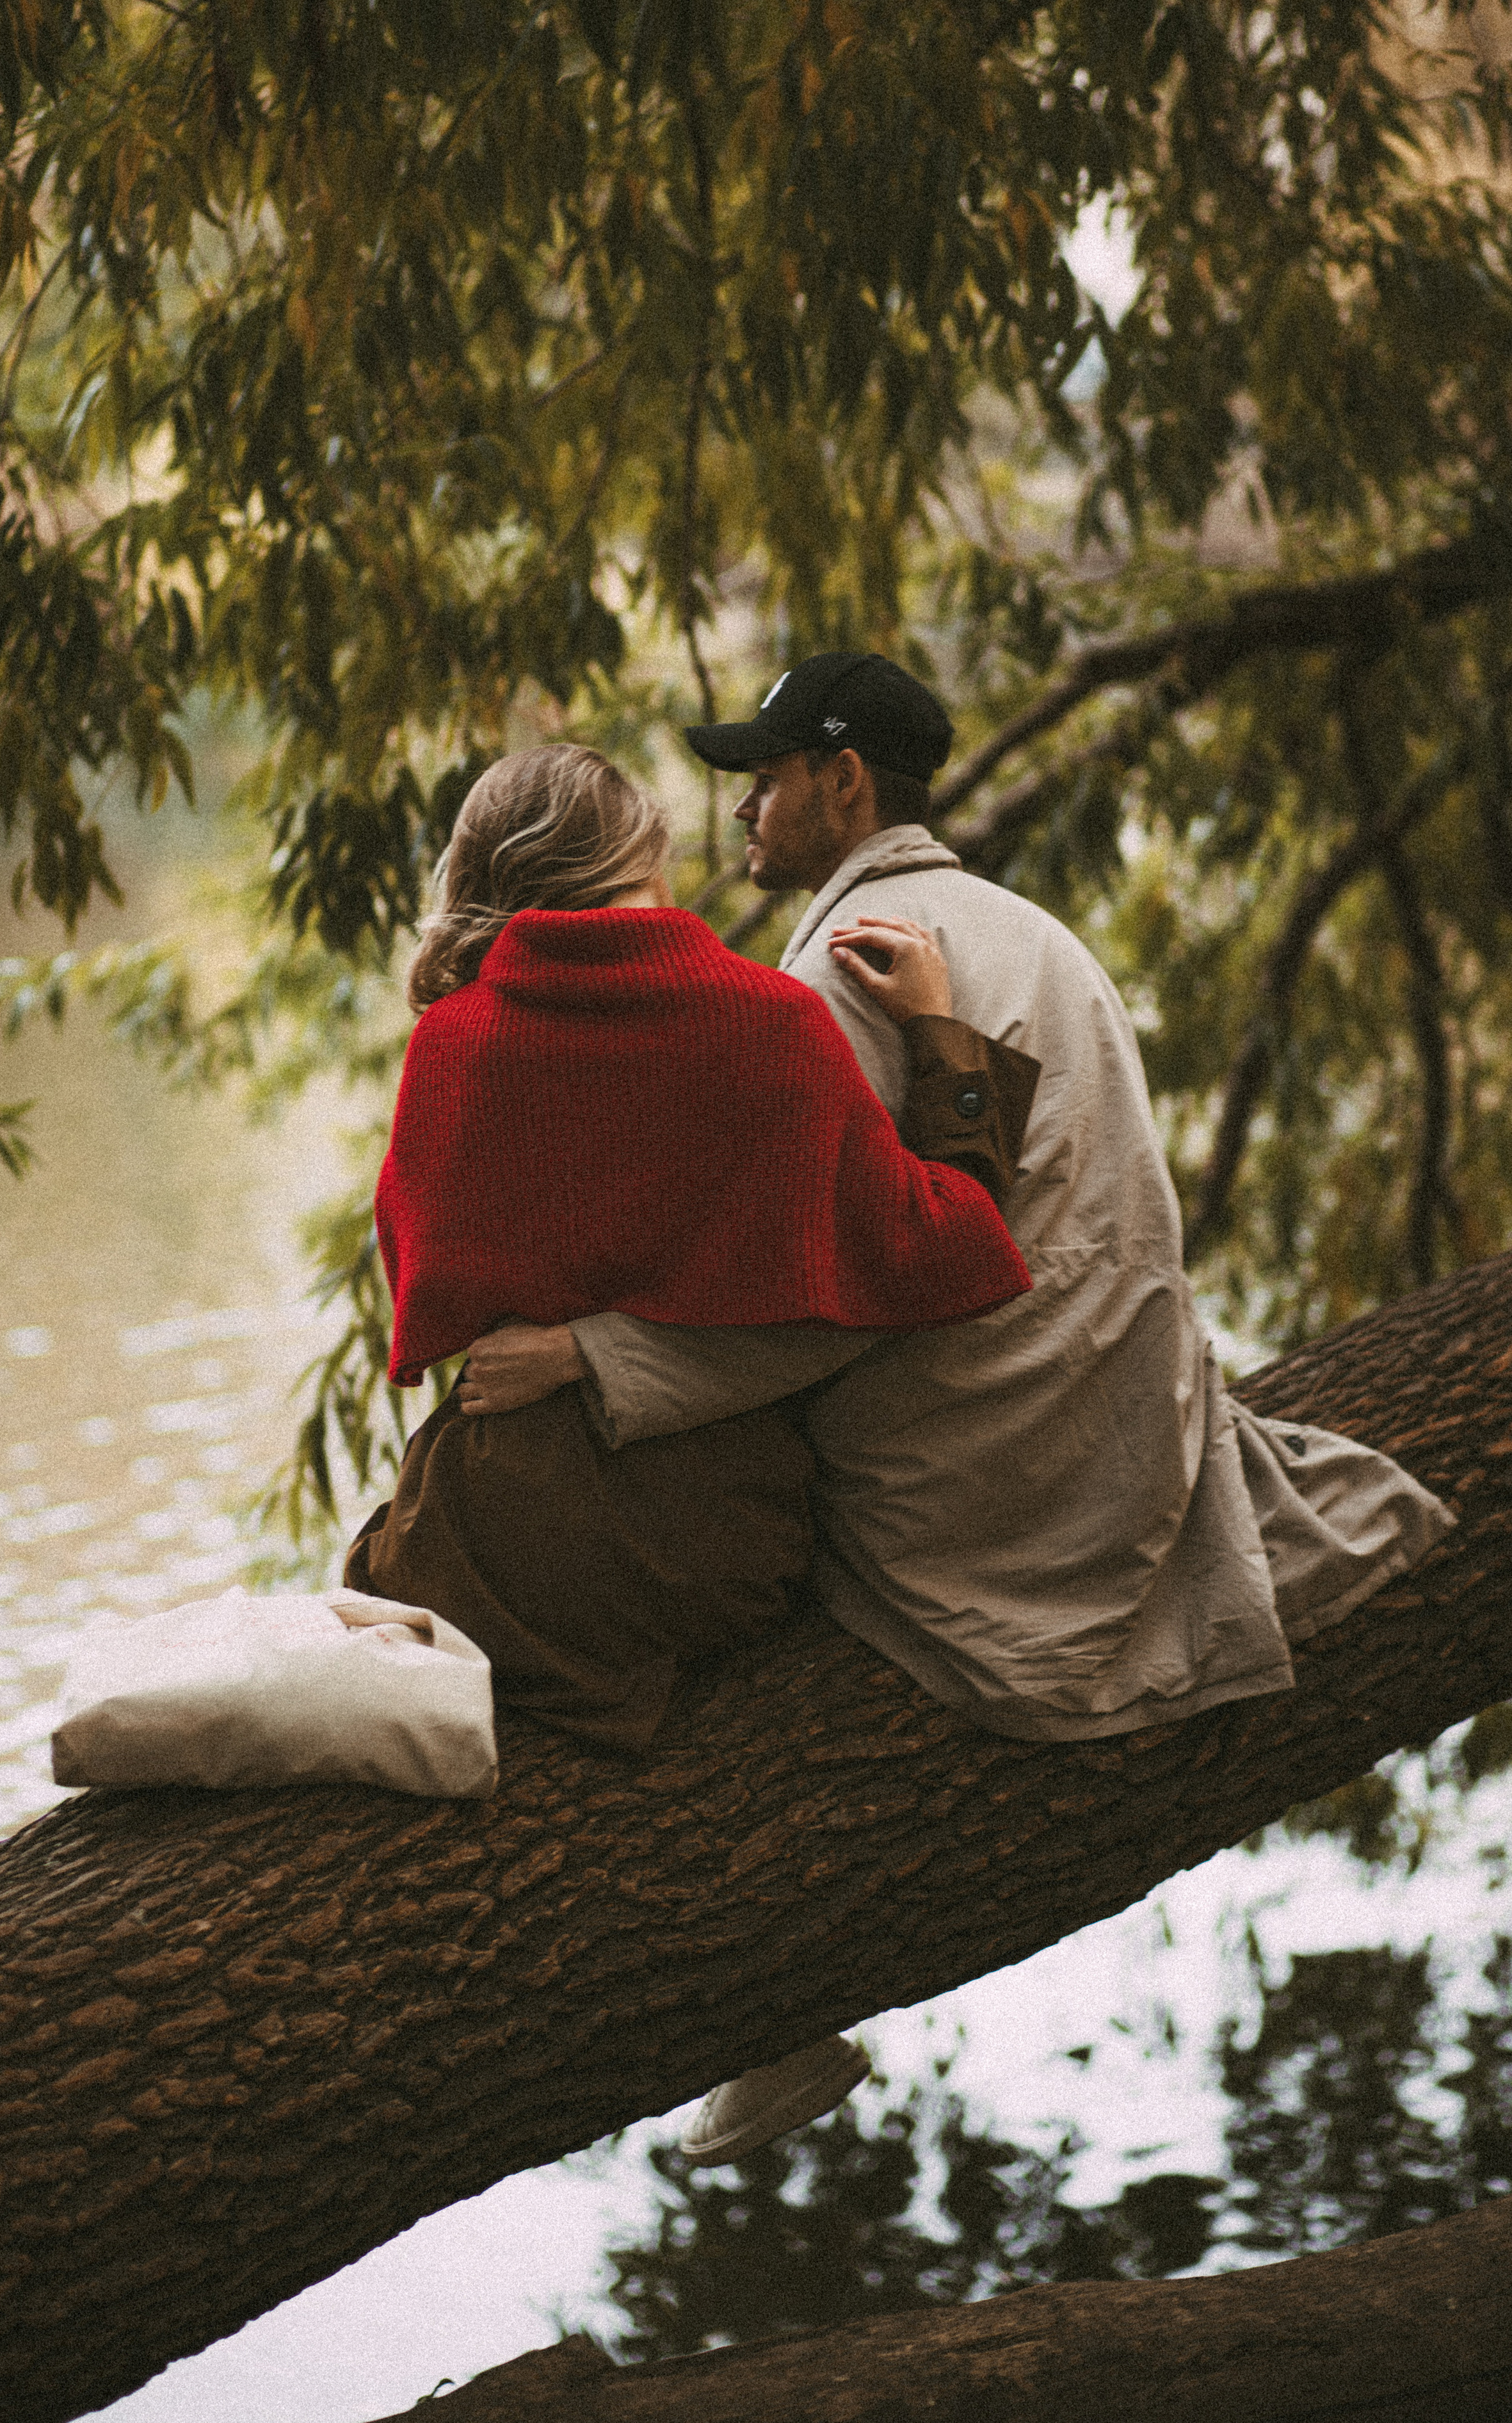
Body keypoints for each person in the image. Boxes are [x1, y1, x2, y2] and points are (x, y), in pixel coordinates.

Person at [456, 653, 1457, 2164]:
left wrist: (592, 1359)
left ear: (842, 783)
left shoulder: (837, 976)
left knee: (648, 1569)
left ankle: (761, 2009)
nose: (741, 810)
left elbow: (834, 1305)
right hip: (1119, 1421)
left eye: (764, 778)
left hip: (991, 1483)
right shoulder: (1022, 931)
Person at [344, 740, 1034, 1760]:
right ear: (643, 855)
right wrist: (941, 1036)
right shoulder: (775, 1024)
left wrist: (574, 1323)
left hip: (494, 1548)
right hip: (715, 1549)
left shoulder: (452, 1044)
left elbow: (424, 1292)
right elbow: (950, 1252)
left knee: (375, 1565)